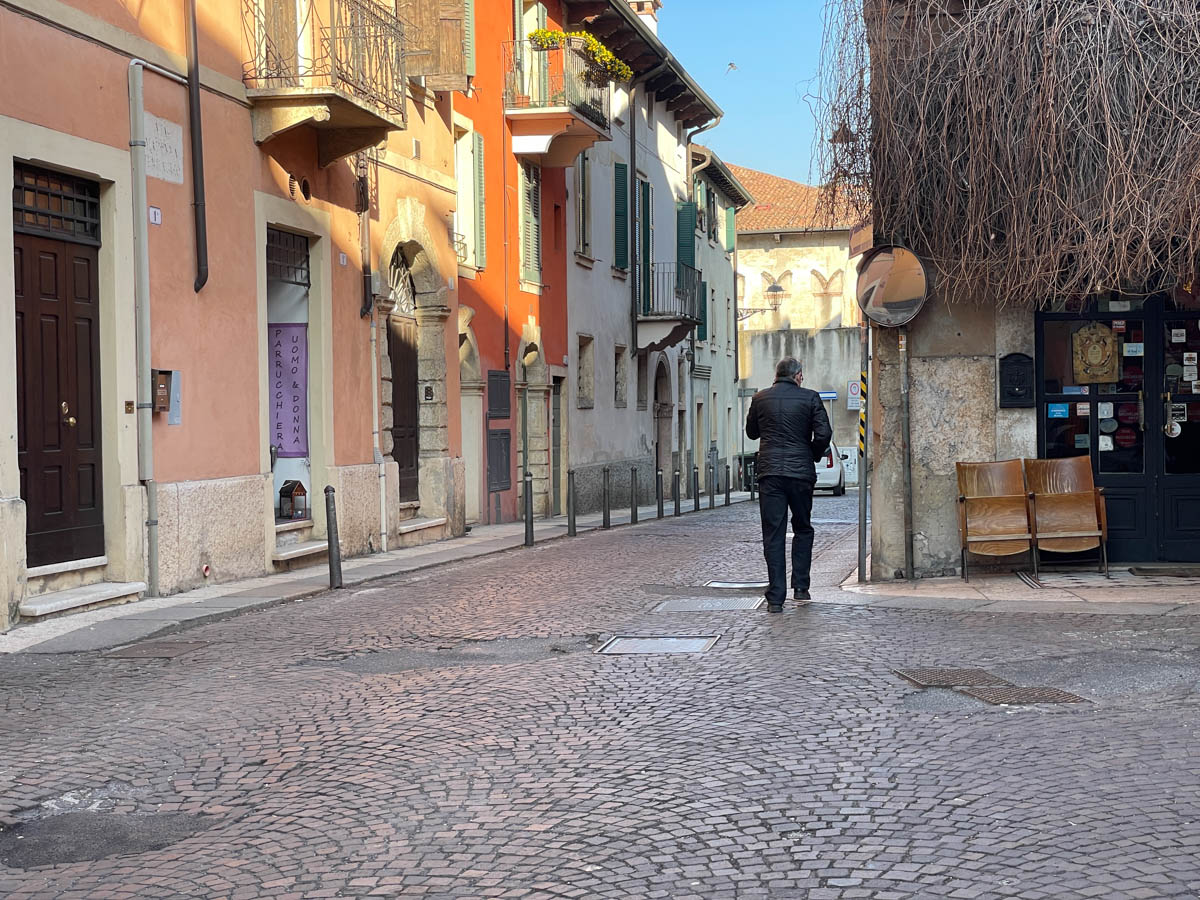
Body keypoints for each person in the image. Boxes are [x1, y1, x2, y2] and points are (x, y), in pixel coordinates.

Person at [745, 356, 832, 612]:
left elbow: (751, 432)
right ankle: (801, 587)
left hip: (770, 473)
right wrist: (812, 453)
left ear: (776, 375)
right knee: (803, 527)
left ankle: (775, 598)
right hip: (801, 473)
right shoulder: (811, 398)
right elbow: (824, 434)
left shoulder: (759, 399)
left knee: (773, 534)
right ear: (799, 376)